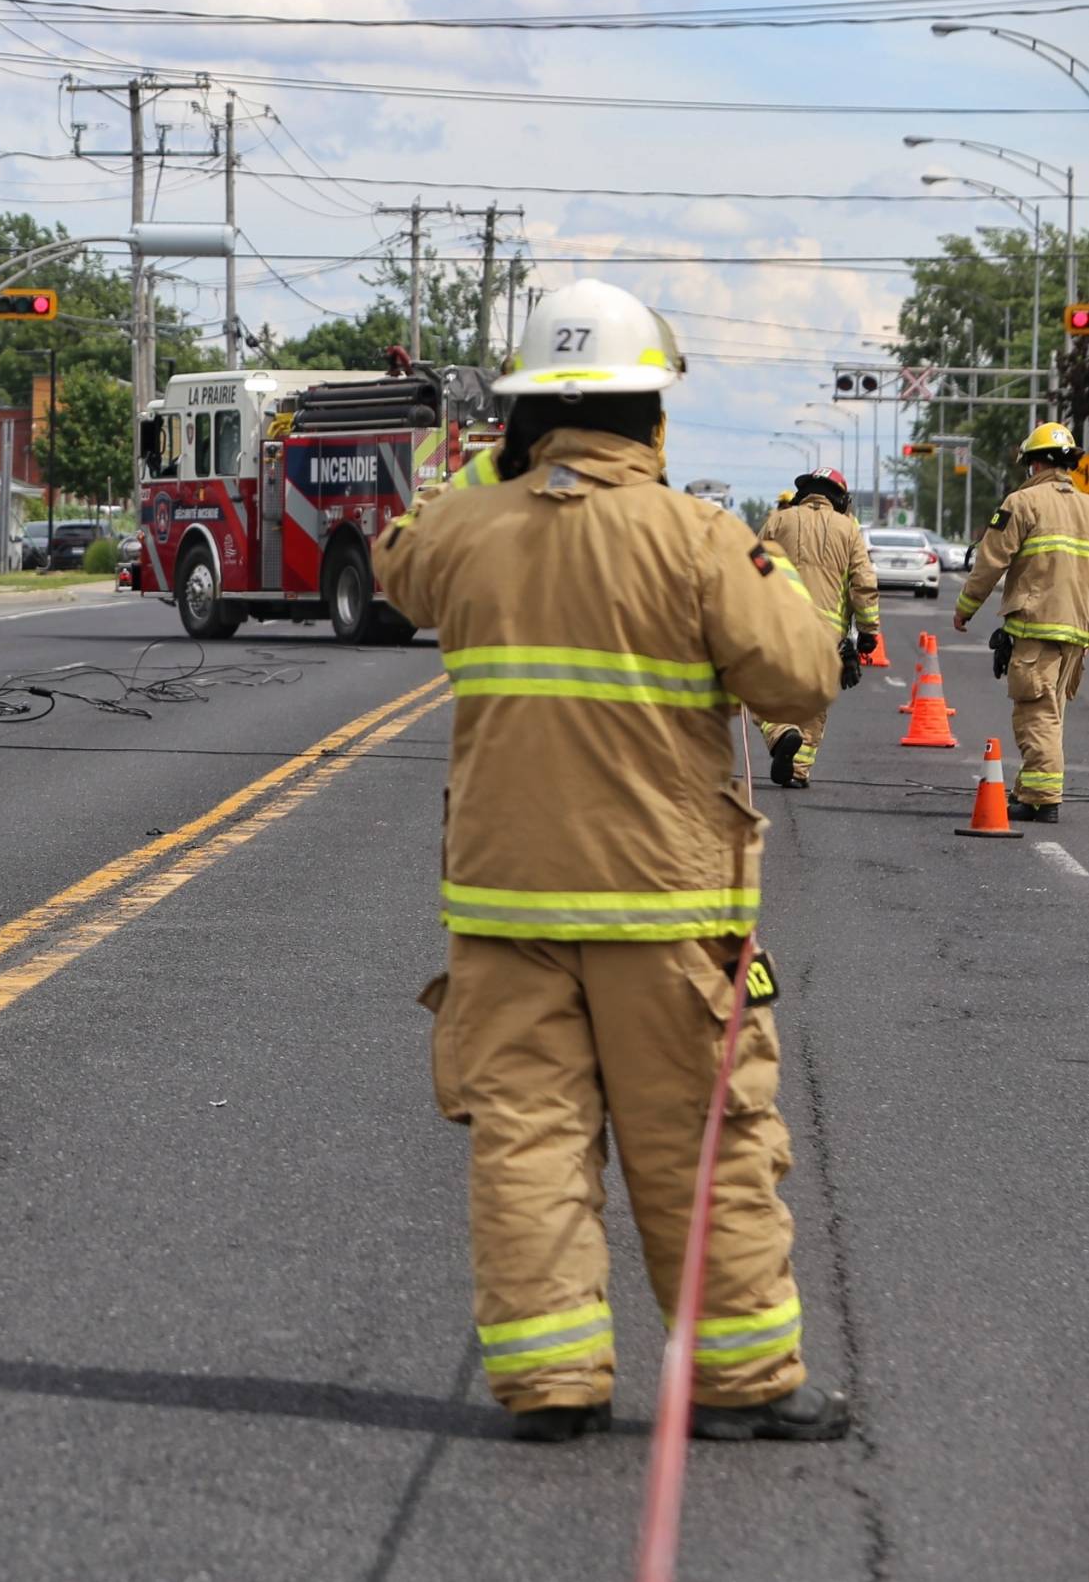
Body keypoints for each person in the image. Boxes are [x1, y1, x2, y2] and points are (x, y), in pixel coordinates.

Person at [375, 279, 848, 1444]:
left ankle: (550, 1386)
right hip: (662, 909)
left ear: (521, 416)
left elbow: (397, 560)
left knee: (525, 1146)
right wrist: (772, 573)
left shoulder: (465, 531)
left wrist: (497, 470)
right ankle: (743, 1386)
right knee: (702, 1147)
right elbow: (800, 680)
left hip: (502, 909)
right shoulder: (694, 537)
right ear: (651, 413)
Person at [955, 421, 1089, 822]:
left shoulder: (1023, 502)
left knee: (1036, 712)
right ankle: (1033, 791)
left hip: (1037, 625)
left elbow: (992, 560)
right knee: (1052, 712)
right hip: (1076, 630)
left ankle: (1043, 798)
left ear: (1033, 464)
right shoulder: (1087, 505)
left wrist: (966, 607)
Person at [755, 467, 879, 788]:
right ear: (840, 498)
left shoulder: (778, 521)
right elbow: (863, 583)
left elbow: (752, 567)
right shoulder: (848, 530)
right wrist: (868, 631)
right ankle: (797, 771)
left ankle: (781, 733)